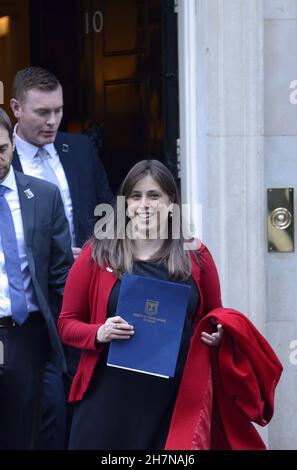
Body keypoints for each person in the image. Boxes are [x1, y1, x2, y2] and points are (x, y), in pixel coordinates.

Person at [58, 159, 282, 450]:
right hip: (107, 399)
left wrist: (216, 336)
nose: (144, 205)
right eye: (136, 196)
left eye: (154, 196)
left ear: (172, 202)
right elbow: (66, 323)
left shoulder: (197, 257)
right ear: (125, 203)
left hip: (173, 402)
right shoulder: (97, 253)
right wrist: (98, 333)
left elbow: (213, 317)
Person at [9, 66, 113, 449]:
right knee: (42, 411)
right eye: (42, 112)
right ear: (16, 108)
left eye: (58, 110)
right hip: (34, 311)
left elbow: (107, 210)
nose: (53, 121)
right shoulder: (5, 164)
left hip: (87, 299)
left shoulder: (80, 148)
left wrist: (93, 251)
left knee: (86, 403)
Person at [0, 108, 73, 449]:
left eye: (1, 150)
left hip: (27, 333)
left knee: (28, 433)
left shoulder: (43, 196)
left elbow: (61, 275)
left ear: (12, 145)